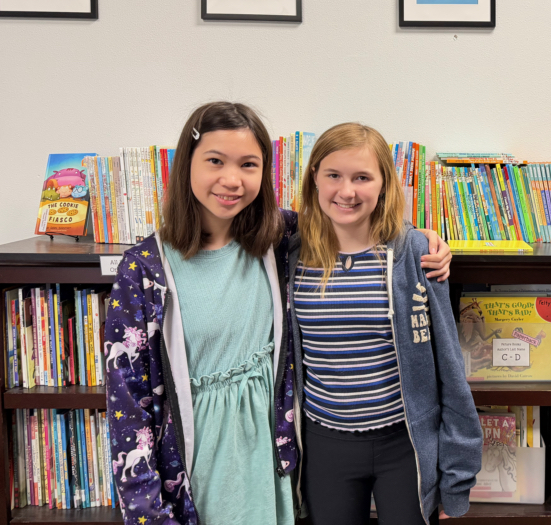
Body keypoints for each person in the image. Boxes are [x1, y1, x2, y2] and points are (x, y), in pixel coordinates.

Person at [106, 103, 452, 525]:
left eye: (248, 164)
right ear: (185, 165)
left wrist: (421, 239)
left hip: (275, 463)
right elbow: (128, 404)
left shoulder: (280, 237)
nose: (231, 180)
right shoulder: (144, 269)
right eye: (215, 161)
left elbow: (355, 222)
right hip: (195, 465)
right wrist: (147, 510)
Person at [290, 122, 482, 524]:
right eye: (334, 176)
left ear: (383, 184)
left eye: (362, 177)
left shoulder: (415, 252)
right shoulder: (289, 250)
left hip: (405, 444)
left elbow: (449, 365)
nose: (347, 191)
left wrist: (457, 477)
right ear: (314, 178)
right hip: (325, 444)